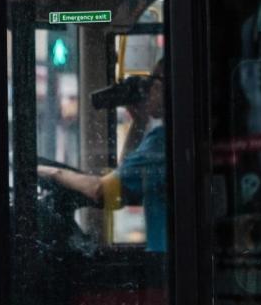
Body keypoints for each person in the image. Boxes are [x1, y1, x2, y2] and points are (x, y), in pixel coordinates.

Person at [37, 61, 168, 252]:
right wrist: (139, 121)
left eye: (155, 84)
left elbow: (102, 191)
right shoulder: (167, 139)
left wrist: (50, 172)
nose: (150, 91)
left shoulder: (162, 141)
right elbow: (124, 180)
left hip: (167, 265)